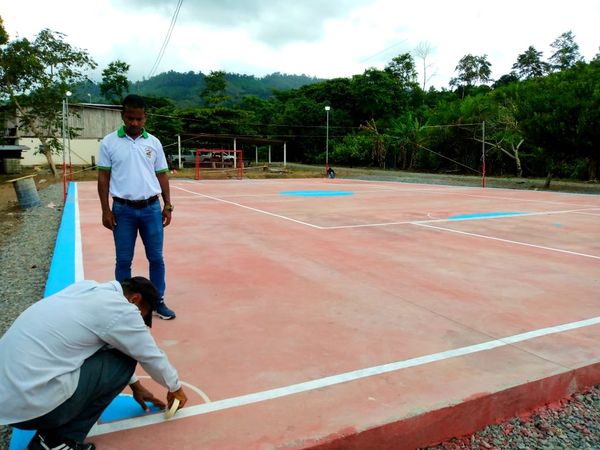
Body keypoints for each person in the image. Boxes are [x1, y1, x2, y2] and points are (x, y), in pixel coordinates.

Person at [0, 277, 188, 450]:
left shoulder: (84, 289)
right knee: (126, 359)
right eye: (142, 315)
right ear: (135, 299)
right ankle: (57, 441)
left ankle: (48, 439)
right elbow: (150, 355)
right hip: (32, 408)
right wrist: (175, 387)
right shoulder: (120, 309)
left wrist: (135, 385)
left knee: (107, 349)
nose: (139, 320)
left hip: (7, 404)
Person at [97, 94, 176, 320]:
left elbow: (162, 175)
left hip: (151, 209)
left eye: (139, 119)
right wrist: (105, 209)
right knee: (123, 260)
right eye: (130, 118)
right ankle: (124, 304)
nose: (134, 123)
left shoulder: (154, 143)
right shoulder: (109, 142)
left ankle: (157, 301)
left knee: (156, 258)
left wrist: (167, 204)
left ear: (145, 117)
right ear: (123, 116)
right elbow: (103, 177)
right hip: (123, 210)